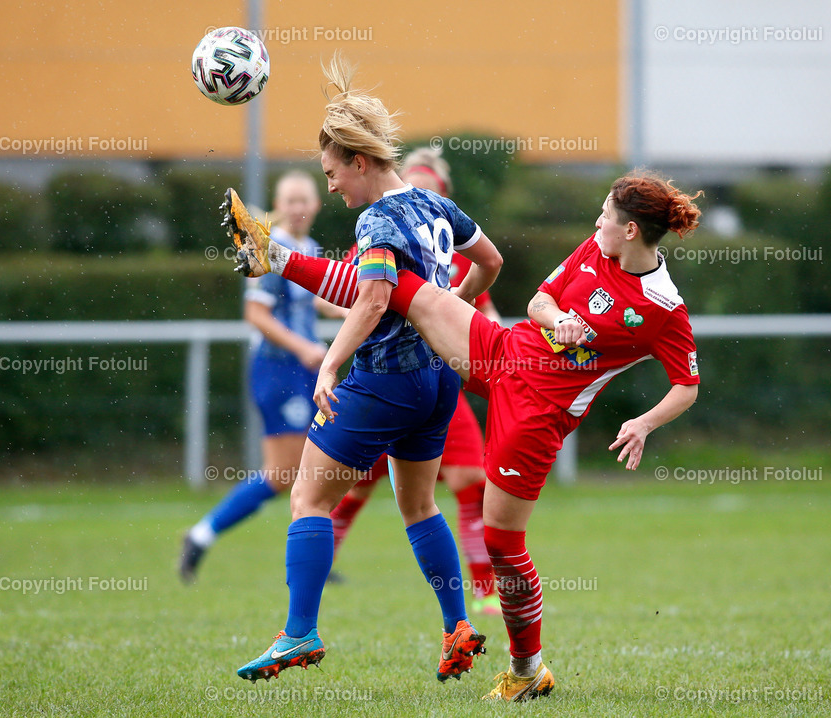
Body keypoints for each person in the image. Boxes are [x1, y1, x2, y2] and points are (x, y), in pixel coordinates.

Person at [228, 169, 702, 701]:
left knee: (502, 542)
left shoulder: (663, 307)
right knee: (401, 288)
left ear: (632, 231)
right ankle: (275, 254)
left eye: (606, 215)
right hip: (501, 351)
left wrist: (642, 423)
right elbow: (539, 301)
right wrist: (560, 318)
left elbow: (687, 386)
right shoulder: (596, 246)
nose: (597, 222)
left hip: (537, 415)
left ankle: (527, 670)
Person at [224, 53, 504, 683]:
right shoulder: (432, 206)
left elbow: (372, 299)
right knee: (419, 505)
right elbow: (490, 260)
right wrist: (448, 308)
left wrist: (329, 362)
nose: (330, 188)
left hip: (387, 382)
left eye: (331, 173)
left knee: (308, 498)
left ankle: (299, 635)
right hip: (437, 383)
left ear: (359, 160)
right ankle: (458, 627)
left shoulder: (375, 218)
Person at [328, 147, 503, 615]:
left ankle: (482, 590)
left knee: (466, 480)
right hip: (385, 372)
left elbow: (482, 315)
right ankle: (323, 563)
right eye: (417, 180)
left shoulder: (449, 249)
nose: (422, 191)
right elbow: (351, 293)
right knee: (359, 485)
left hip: (434, 377)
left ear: (443, 196)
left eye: (432, 186)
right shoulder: (379, 226)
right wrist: (373, 310)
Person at [179, 171, 333, 583]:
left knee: (311, 468)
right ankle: (201, 534)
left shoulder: (309, 247)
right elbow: (255, 314)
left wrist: (367, 308)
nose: (299, 207)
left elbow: (320, 304)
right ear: (278, 205)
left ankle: (312, 558)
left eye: (305, 199)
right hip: (277, 369)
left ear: (317, 204)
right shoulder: (267, 247)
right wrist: (303, 348)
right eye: (291, 200)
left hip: (302, 369)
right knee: (286, 473)